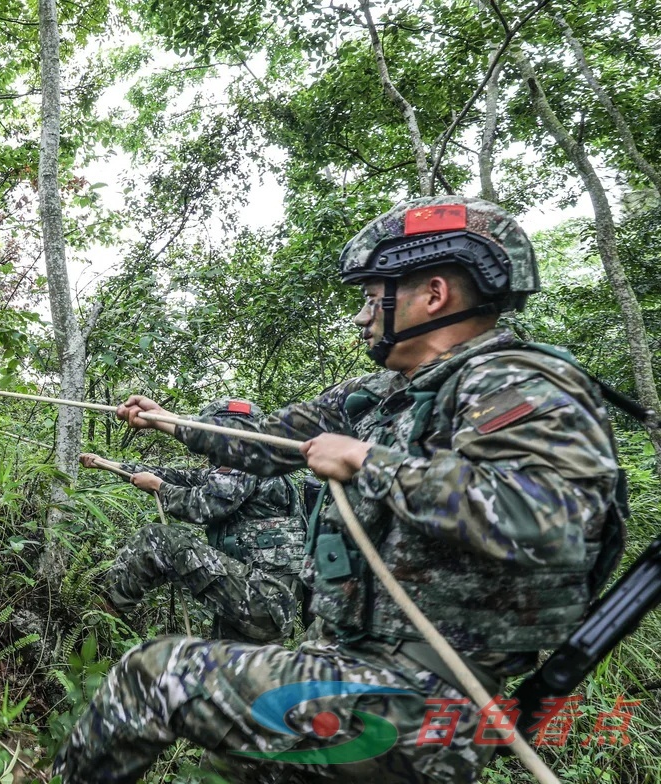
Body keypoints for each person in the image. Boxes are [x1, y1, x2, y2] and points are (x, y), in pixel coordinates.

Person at [52, 197, 625, 784]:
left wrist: (369, 462)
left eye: (371, 298)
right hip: (342, 665)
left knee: (153, 676)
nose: (361, 317)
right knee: (226, 768)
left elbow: (548, 520)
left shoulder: (515, 380)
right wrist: (172, 422)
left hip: (420, 700)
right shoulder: (379, 393)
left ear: (433, 294)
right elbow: (267, 442)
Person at [79, 398, 306, 643]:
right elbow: (180, 477)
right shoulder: (258, 465)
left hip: (263, 598)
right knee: (230, 676)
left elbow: (203, 506)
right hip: (265, 602)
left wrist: (161, 488)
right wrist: (111, 465)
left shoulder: (246, 461)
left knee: (156, 540)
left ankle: (93, 625)